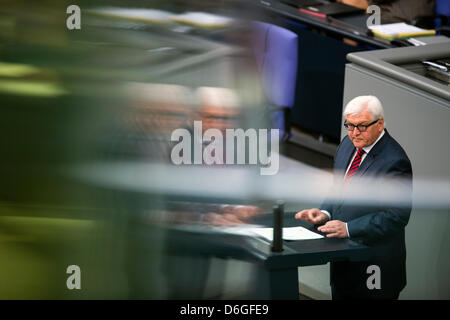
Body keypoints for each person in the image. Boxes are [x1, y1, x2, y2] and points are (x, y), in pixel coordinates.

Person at [295, 95, 412, 299]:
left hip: (374, 264)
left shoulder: (395, 161)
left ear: (380, 123)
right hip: (344, 259)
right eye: (349, 125)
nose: (354, 133)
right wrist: (324, 212)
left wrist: (348, 228)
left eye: (361, 126)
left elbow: (396, 217)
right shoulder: (347, 145)